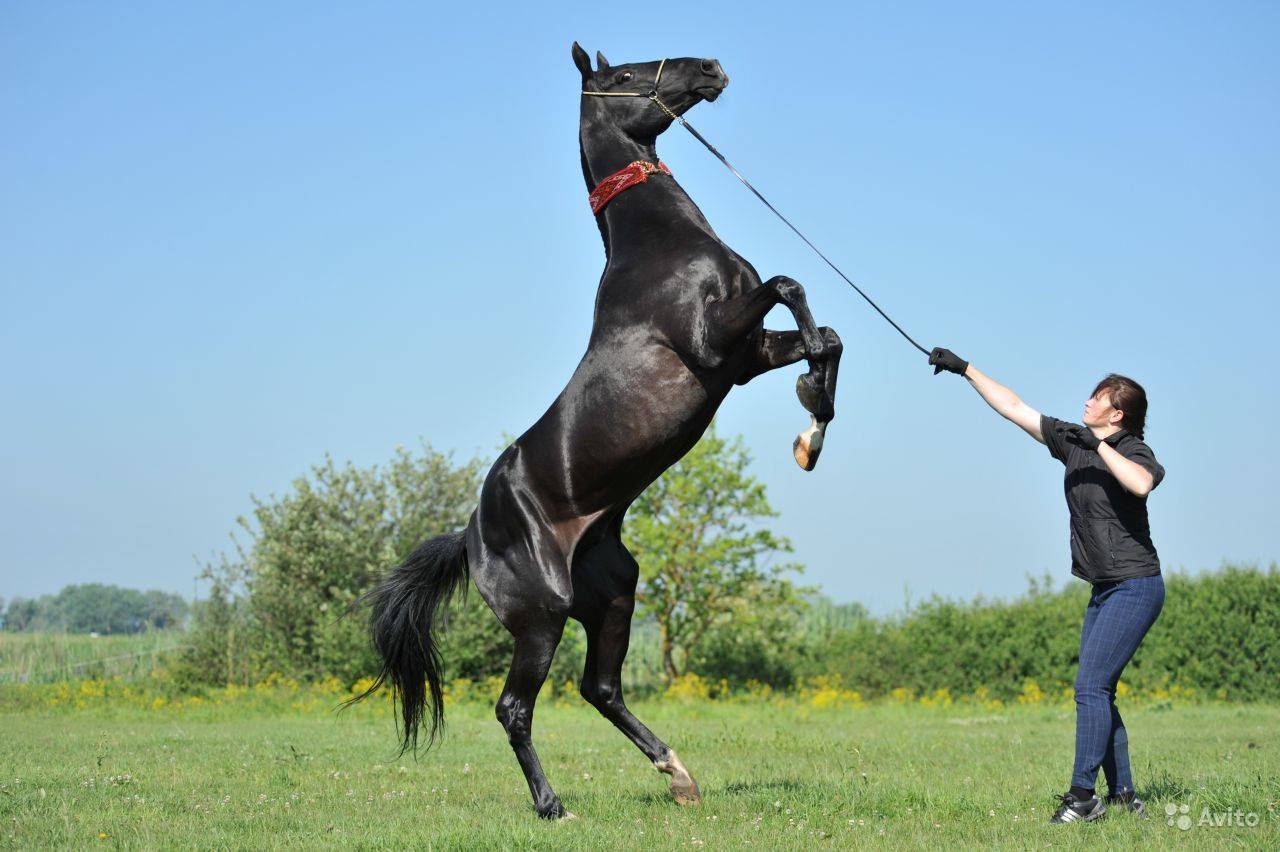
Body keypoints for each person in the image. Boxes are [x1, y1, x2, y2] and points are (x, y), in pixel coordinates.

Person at [928, 347, 1165, 824]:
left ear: (1116, 413)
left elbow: (1140, 484)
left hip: (1137, 585)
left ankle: (1083, 797)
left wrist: (1098, 446)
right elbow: (1015, 408)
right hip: (1103, 587)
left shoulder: (1131, 449)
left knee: (1090, 687)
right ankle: (1122, 795)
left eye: (1097, 397)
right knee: (1101, 690)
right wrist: (966, 369)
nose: (1087, 401)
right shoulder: (1074, 440)